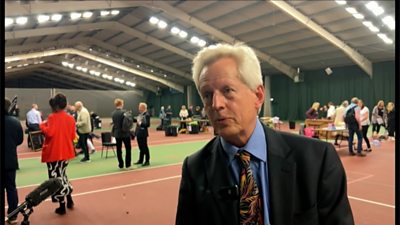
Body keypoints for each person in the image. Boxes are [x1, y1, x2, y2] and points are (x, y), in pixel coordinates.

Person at [176, 43, 354, 225]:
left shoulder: (316, 159)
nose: (216, 104)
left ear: (258, 95)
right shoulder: (195, 168)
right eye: (207, 95)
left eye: (227, 90)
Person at [39, 93, 76, 215]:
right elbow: (72, 136)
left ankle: (62, 206)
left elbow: (49, 133)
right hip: (66, 152)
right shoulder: (71, 118)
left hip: (54, 153)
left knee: (56, 179)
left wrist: (42, 125)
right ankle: (69, 199)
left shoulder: (52, 117)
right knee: (63, 176)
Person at [5, 98, 24, 224]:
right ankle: (13, 216)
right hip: (10, 160)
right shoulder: (15, 122)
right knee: (11, 188)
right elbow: (19, 140)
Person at [111, 98, 132, 169]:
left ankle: (120, 164)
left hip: (117, 133)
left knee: (118, 149)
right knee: (128, 148)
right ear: (121, 104)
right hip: (125, 133)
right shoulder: (124, 112)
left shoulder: (113, 113)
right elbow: (128, 122)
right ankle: (128, 164)